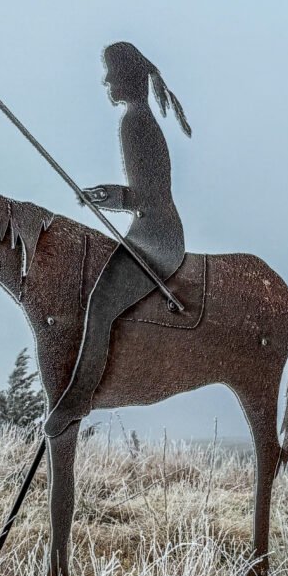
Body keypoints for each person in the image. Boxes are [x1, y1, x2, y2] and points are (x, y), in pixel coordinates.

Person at [43, 41, 191, 438]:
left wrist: (111, 196)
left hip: (156, 237)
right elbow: (145, 192)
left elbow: (152, 196)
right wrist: (109, 194)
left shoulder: (136, 123)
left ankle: (75, 401)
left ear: (127, 76)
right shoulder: (137, 119)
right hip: (152, 229)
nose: (106, 79)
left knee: (99, 304)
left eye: (111, 71)